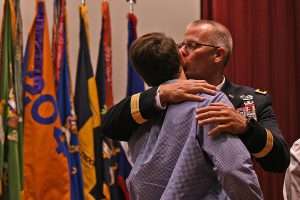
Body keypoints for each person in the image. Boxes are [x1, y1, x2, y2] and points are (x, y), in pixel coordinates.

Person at [101, 19, 290, 173]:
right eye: (182, 44)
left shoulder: (250, 100)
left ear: (218, 55)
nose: (181, 51)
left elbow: (280, 160)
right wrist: (160, 94)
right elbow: (110, 126)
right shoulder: (163, 94)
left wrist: (246, 128)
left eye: (192, 46)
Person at [125, 32, 263, 199]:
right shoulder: (208, 100)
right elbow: (232, 168)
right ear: (181, 58)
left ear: (142, 77)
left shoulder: (137, 114)